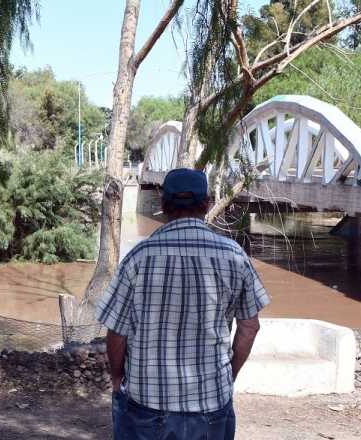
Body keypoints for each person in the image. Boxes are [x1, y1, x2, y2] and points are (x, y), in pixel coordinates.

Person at [97, 168, 270, 440]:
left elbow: (117, 332)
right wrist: (228, 376)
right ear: (207, 203)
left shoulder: (139, 257)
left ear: (164, 205)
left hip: (147, 404)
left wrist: (118, 378)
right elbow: (250, 327)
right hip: (211, 404)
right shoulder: (234, 256)